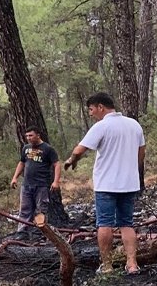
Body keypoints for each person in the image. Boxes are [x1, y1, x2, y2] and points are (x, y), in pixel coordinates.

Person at [62, 92, 146, 274]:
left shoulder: (102, 126)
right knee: (127, 224)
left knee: (105, 224)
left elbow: (79, 149)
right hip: (129, 184)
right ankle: (132, 264)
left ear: (101, 107)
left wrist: (72, 160)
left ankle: (107, 265)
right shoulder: (134, 125)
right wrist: (131, 171)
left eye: (92, 109)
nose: (91, 114)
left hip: (106, 184)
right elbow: (141, 154)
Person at [10, 127, 61, 238]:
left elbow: (57, 164)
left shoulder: (48, 149)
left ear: (38, 135)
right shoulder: (26, 148)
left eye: (31, 135)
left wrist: (56, 181)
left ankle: (39, 233)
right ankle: (22, 232)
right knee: (24, 209)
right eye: (27, 136)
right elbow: (22, 163)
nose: (28, 138)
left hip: (42, 184)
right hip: (26, 184)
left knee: (41, 210)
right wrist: (15, 177)